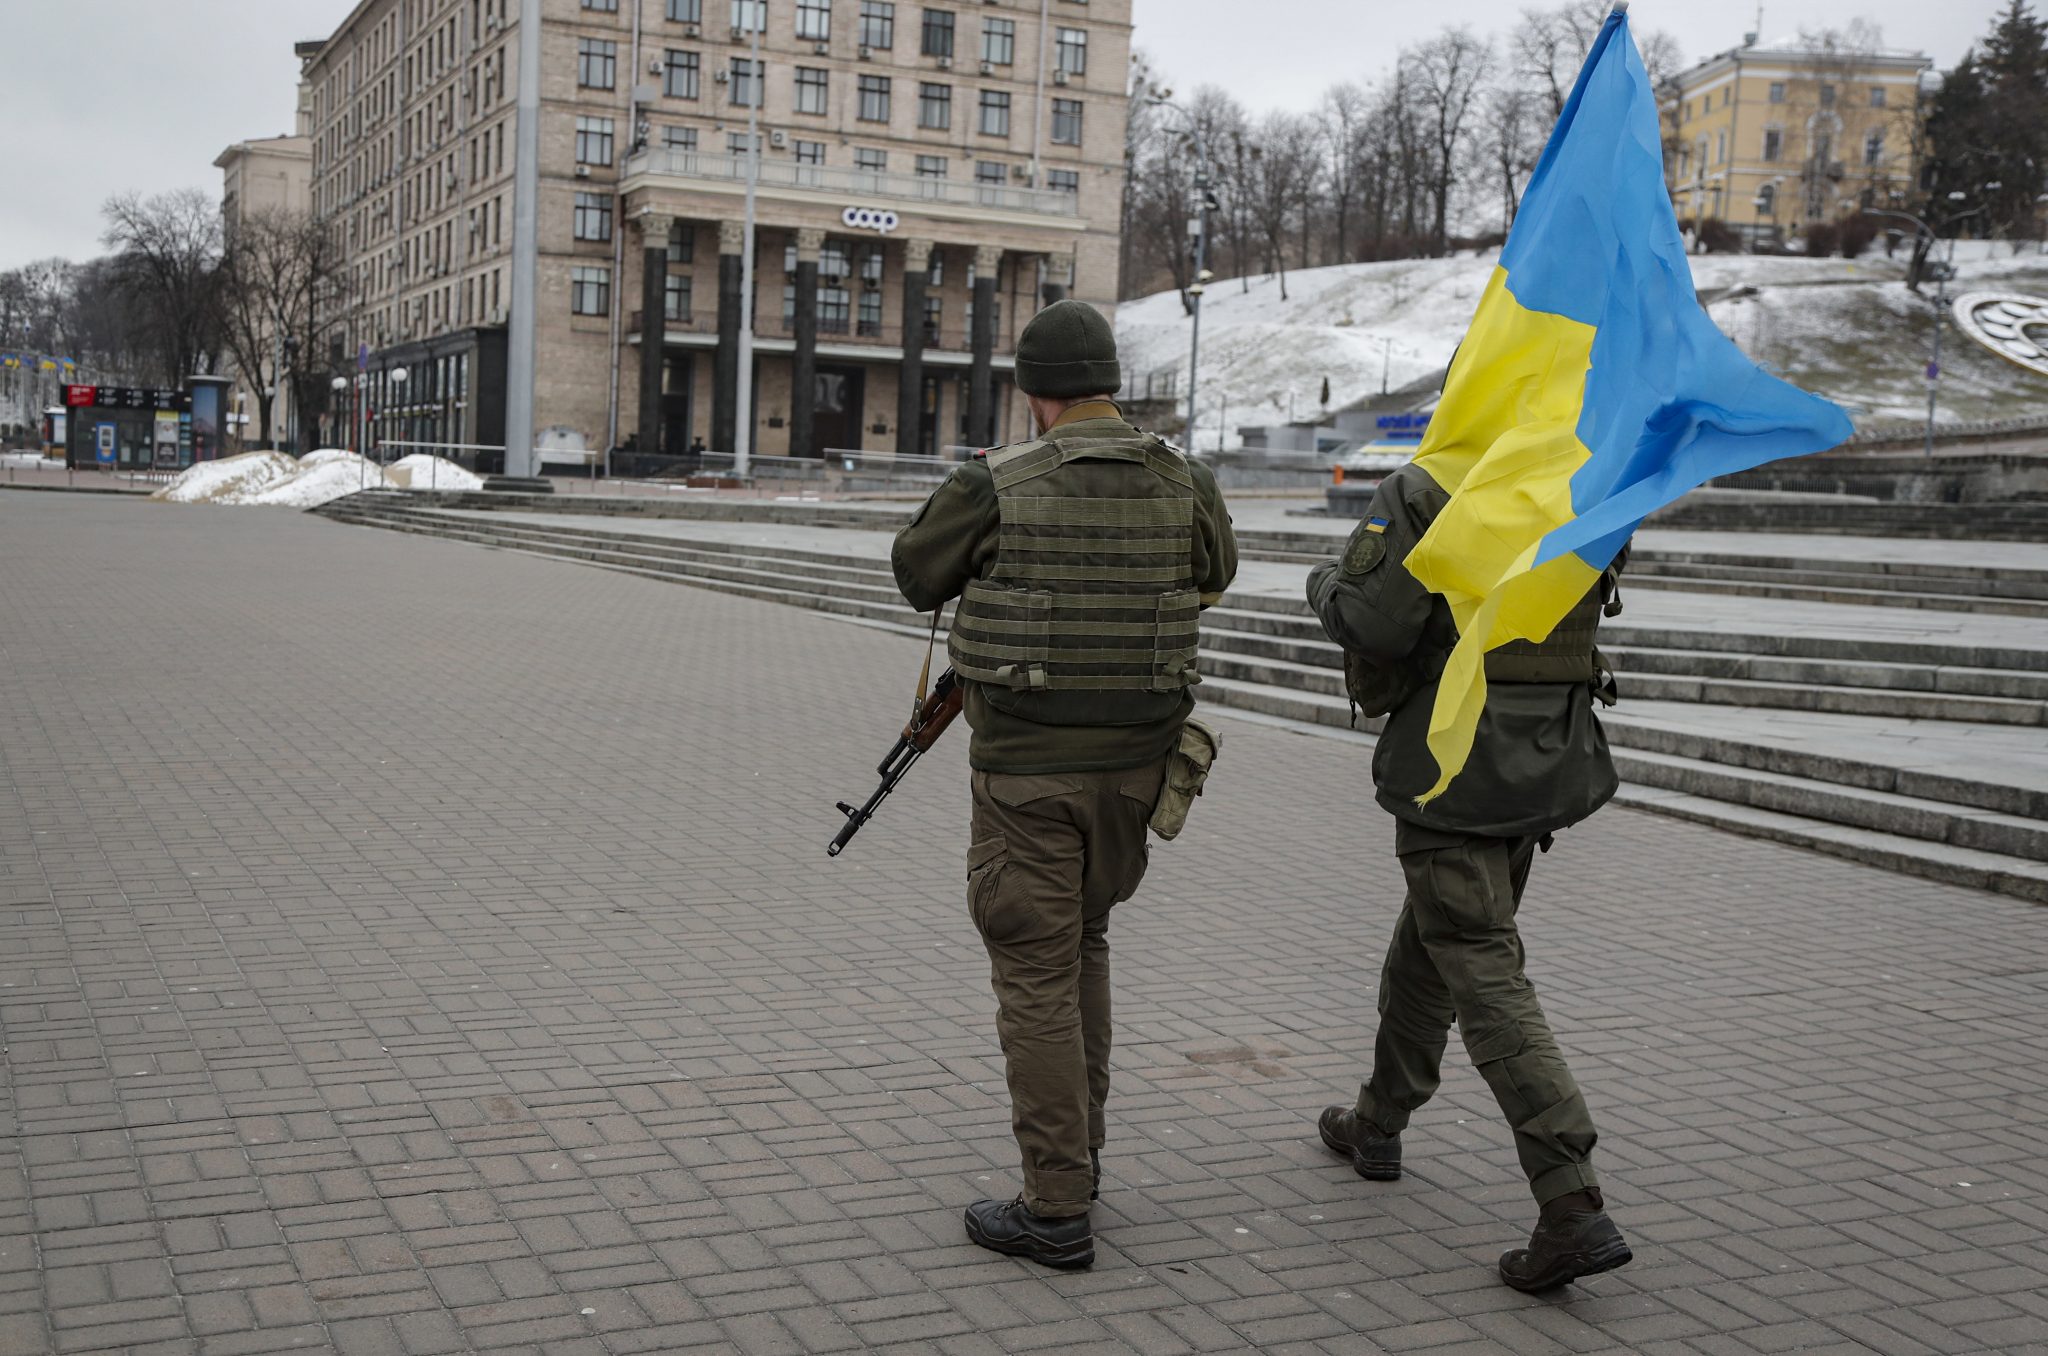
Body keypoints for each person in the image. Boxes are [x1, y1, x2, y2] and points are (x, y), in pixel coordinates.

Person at [892, 299, 1237, 1270]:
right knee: (1081, 945)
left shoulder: (994, 483)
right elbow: (1218, 572)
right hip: (1139, 775)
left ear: (1029, 394)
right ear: (1108, 385)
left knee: (1035, 974)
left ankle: (1053, 1207)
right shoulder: (1182, 477)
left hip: (1027, 781)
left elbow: (914, 575)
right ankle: (1078, 1161)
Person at [1306, 462, 1632, 1293]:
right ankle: (1377, 1122)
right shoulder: (1591, 477)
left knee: (1481, 962)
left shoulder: (1430, 486)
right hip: (1545, 760)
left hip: (1455, 764)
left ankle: (1570, 1197)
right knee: (1435, 942)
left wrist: (1324, 584)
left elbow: (1376, 626)